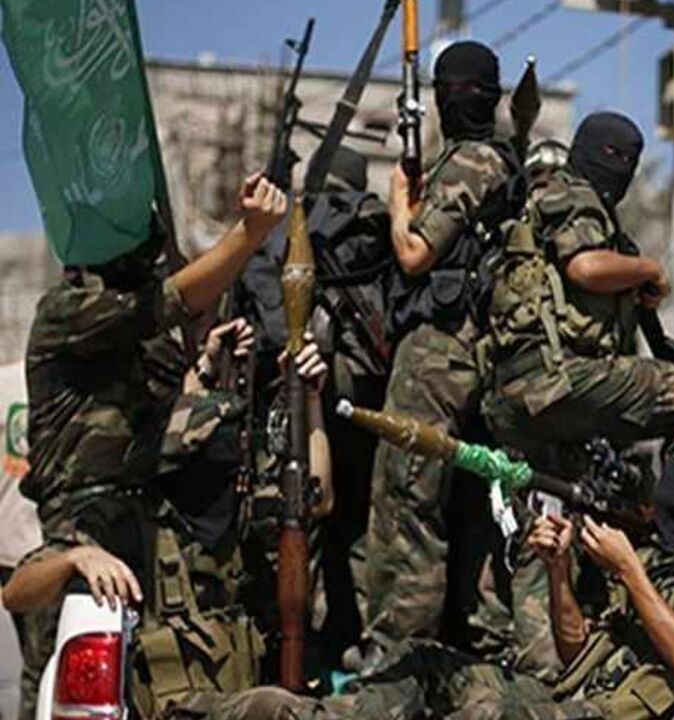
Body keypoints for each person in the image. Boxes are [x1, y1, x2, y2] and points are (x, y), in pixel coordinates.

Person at [194, 419, 674, 720]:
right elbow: (575, 650)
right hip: (566, 701)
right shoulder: (668, 554)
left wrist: (629, 571)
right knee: (427, 664)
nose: (672, 487)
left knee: (468, 705)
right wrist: (559, 571)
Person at [15, 173, 288, 720]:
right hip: (86, 536)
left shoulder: (154, 344)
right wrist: (250, 233)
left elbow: (163, 425)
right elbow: (173, 299)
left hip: (157, 541)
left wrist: (207, 367)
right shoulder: (68, 312)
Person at [6, 321, 331, 720]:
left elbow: (316, 497)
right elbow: (16, 592)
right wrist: (77, 558)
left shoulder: (243, 511)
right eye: (206, 455)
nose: (221, 468)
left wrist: (309, 402)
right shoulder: (130, 521)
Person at [363, 39, 523, 658]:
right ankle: (477, 638)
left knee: (407, 496)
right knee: (469, 503)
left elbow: (413, 255)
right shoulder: (499, 161)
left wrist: (400, 202)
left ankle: (399, 649)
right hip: (477, 357)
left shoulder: (472, 163)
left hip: (439, 353)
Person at [483, 112, 674, 470]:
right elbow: (585, 268)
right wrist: (650, 268)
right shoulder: (577, 195)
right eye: (614, 155)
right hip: (555, 383)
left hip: (519, 393)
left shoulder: (540, 209)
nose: (622, 167)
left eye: (631, 161)